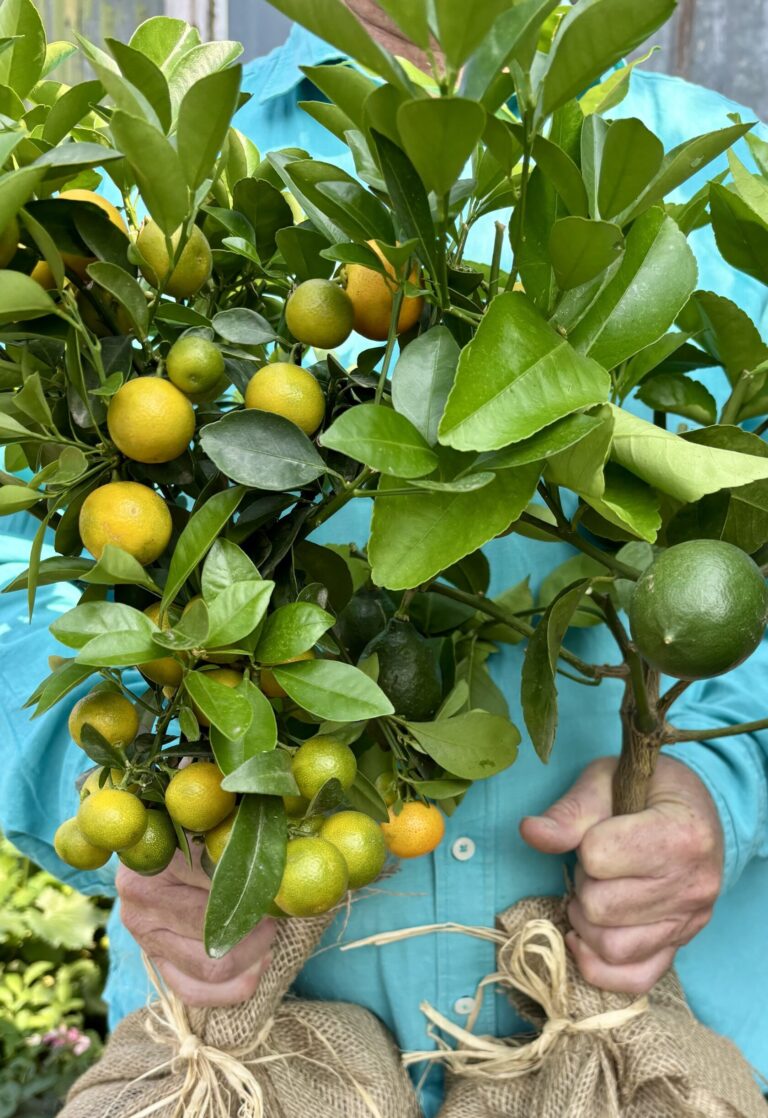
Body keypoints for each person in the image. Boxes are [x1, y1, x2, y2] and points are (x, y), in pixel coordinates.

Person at [2, 7, 768, 1115]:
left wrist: (726, 792)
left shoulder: (720, 183)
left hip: (650, 1054)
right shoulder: (156, 203)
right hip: (226, 1061)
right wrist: (124, 795)